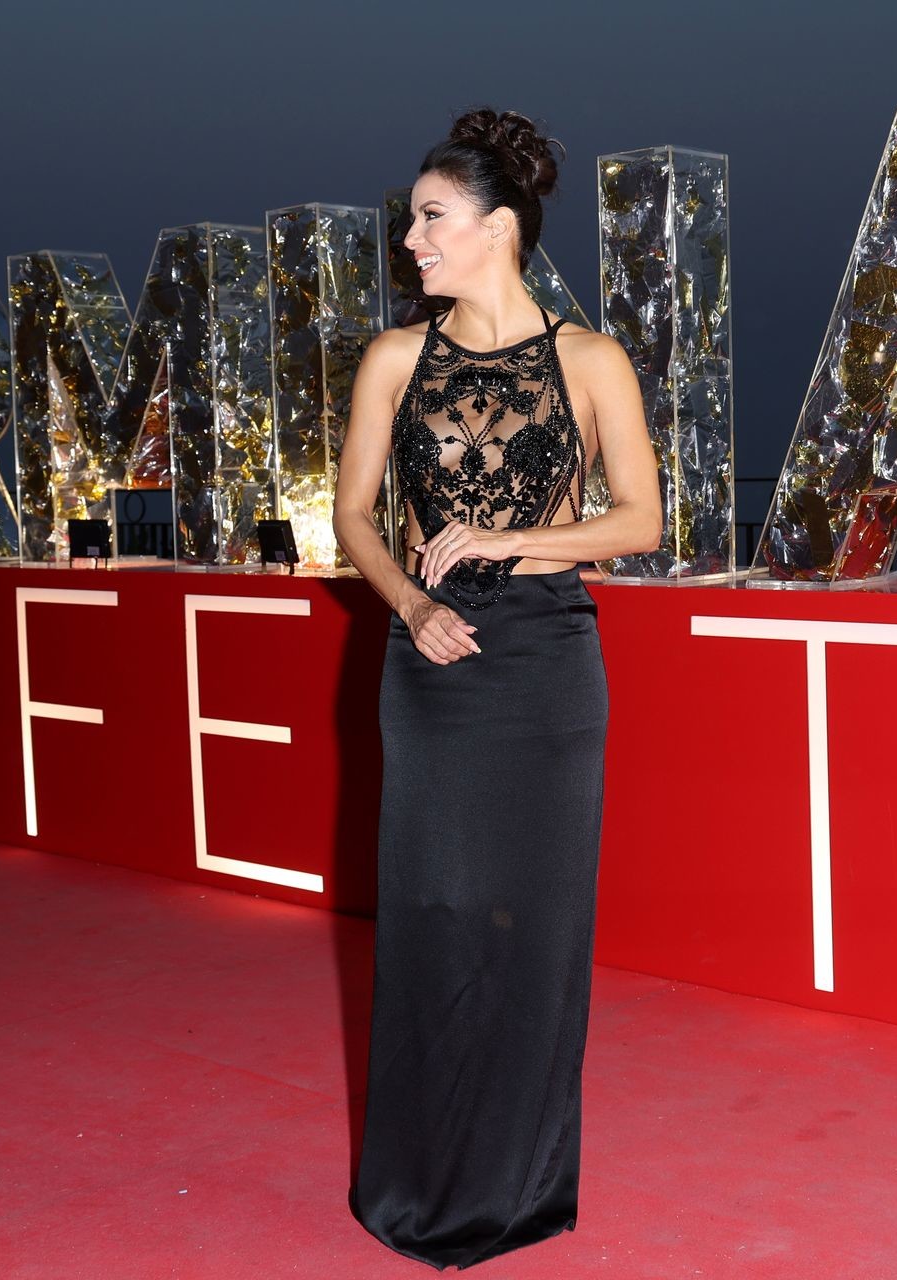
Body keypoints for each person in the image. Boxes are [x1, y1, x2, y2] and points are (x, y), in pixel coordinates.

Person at [332, 108, 663, 1269]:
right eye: (412, 220)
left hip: (545, 665)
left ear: (499, 228)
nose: (411, 239)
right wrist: (411, 603)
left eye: (432, 217)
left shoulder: (590, 361)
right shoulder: (394, 360)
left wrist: (508, 541)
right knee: (434, 915)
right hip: (431, 659)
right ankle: (420, 1184)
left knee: (535, 930)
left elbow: (641, 520)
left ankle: (520, 1185)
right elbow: (354, 517)